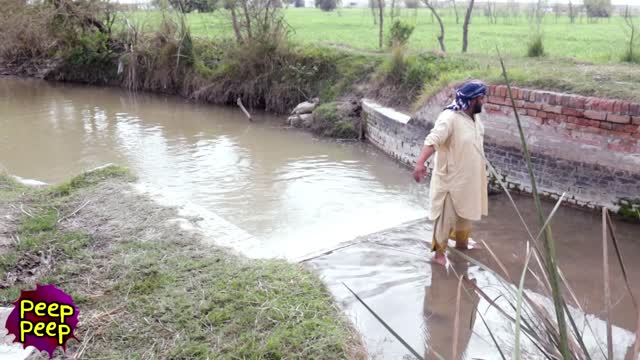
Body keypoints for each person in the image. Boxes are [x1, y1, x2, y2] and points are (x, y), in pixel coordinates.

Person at [412, 81, 489, 267]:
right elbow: (433, 139)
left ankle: (462, 244)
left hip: (469, 179)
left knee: (466, 213)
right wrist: (420, 163)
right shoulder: (449, 117)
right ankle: (439, 253)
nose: (484, 101)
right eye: (481, 97)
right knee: (445, 219)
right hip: (450, 179)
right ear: (472, 100)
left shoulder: (474, 118)